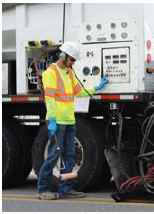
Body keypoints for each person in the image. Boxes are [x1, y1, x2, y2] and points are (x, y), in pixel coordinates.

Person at [36, 41, 109, 200]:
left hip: (69, 120)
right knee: (53, 156)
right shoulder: (50, 73)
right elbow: (50, 99)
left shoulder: (69, 73)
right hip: (57, 121)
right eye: (72, 59)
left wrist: (96, 88)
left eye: (75, 60)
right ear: (63, 55)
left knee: (69, 156)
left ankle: (66, 189)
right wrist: (53, 120)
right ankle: (42, 189)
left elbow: (78, 92)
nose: (73, 63)